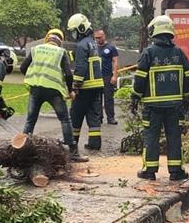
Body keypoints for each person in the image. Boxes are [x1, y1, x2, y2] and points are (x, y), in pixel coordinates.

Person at [132, 15, 189, 181]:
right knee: (174, 136)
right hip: (174, 106)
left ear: (155, 31)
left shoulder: (148, 53)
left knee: (151, 137)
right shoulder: (179, 53)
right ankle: (176, 171)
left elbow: (139, 79)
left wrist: (135, 97)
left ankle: (149, 171)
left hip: (152, 107)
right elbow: (188, 77)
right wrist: (186, 98)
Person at [20, 29, 88, 162]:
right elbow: (68, 74)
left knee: (30, 120)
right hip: (53, 91)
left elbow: (23, 68)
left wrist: (34, 77)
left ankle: (22, 150)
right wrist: (70, 90)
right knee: (64, 119)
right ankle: (73, 152)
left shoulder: (36, 49)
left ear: (47, 39)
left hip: (36, 89)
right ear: (60, 41)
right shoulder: (61, 52)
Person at [67, 13, 104, 150]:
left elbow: (81, 67)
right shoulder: (93, 43)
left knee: (76, 114)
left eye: (74, 31)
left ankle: (72, 143)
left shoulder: (81, 45)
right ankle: (95, 143)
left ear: (81, 29)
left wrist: (75, 86)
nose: (74, 34)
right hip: (97, 87)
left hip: (85, 87)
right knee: (93, 114)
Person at [95, 29, 120, 124]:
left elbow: (115, 62)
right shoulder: (94, 48)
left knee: (108, 98)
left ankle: (110, 118)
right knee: (97, 99)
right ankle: (98, 118)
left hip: (107, 76)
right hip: (97, 77)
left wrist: (115, 75)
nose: (98, 39)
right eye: (96, 38)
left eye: (100, 37)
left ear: (104, 36)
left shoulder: (111, 48)